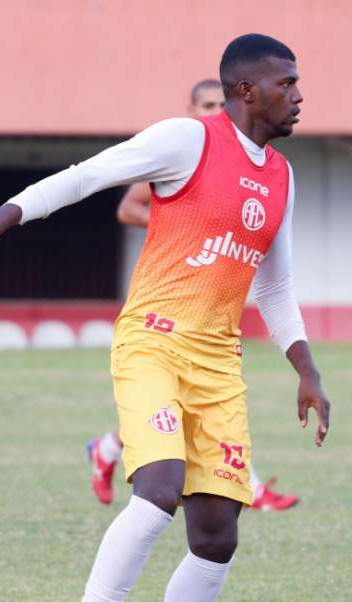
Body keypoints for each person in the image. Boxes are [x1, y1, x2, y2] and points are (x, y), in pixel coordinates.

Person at [0, 34, 329, 602]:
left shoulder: (282, 176)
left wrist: (306, 369)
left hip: (219, 363)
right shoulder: (187, 140)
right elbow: (86, 175)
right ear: (246, 91)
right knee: (158, 488)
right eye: (287, 83)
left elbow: (275, 284)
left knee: (217, 533)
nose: (299, 95)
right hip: (153, 341)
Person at [87, 78, 298, 512]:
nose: (212, 110)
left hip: (216, 311)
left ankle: (107, 449)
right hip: (168, 301)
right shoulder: (179, 151)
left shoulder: (251, 164)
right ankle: (252, 488)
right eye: (205, 104)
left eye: (218, 104)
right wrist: (189, 227)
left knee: (201, 409)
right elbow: (127, 207)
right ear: (190, 106)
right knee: (182, 416)